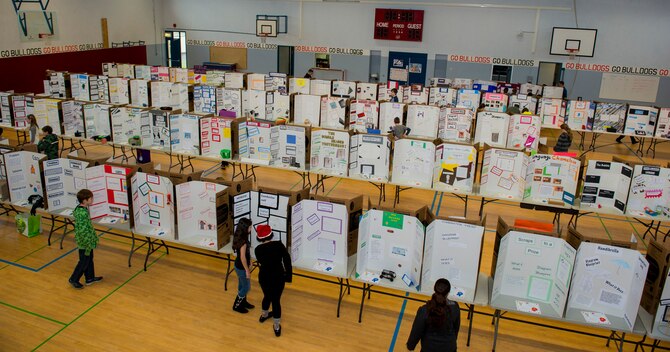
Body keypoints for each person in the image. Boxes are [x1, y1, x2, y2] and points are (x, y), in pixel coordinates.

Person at [254, 224, 292, 337]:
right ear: (271, 235)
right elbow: (287, 261)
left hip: (264, 278)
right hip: (278, 277)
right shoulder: (279, 245)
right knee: (276, 301)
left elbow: (261, 262)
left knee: (267, 296)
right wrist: (288, 277)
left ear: (259, 237)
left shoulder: (258, 249)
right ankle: (276, 326)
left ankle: (264, 315)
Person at [406, 278, 460, 352]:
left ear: (434, 290)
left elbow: (416, 331)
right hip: (449, 348)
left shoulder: (424, 310)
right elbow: (456, 329)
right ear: (448, 293)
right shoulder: (455, 307)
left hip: (429, 348)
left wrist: (410, 346)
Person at [68, 189, 102, 289]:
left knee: (89, 260)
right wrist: (88, 242)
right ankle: (74, 279)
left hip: (86, 241)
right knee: (84, 261)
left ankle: (90, 278)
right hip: (85, 242)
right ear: (85, 200)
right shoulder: (83, 213)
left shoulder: (80, 209)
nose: (92, 200)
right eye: (91, 198)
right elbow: (83, 230)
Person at [232, 218, 255, 314]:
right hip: (241, 267)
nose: (251, 228)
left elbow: (246, 253)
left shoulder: (242, 237)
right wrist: (247, 270)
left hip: (239, 266)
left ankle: (243, 302)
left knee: (242, 285)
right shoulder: (243, 242)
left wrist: (250, 262)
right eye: (250, 227)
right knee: (246, 287)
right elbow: (242, 257)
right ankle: (236, 306)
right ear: (245, 228)